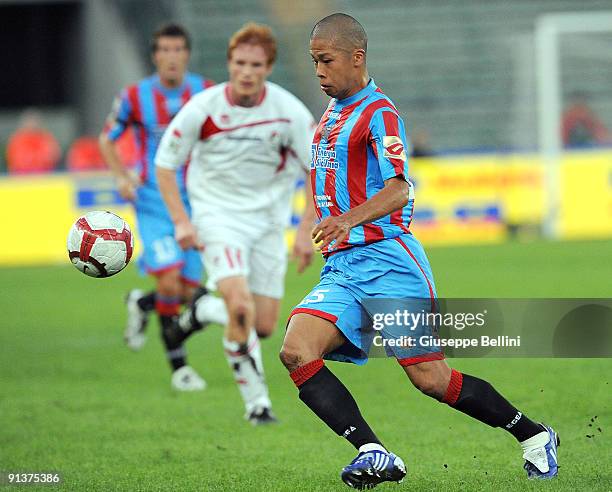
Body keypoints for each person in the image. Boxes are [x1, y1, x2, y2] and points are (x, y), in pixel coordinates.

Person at [279, 13, 559, 489]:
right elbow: (325, 182)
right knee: (295, 350)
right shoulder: (330, 115)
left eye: (326, 61)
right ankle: (374, 452)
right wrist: (314, 222)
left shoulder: (379, 113)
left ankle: (533, 435)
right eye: (313, 62)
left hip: (390, 263)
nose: (319, 71)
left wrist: (346, 219)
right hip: (343, 269)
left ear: (356, 57)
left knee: (431, 379)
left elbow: (400, 189)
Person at [155, 22, 317, 425]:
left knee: (262, 326)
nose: (247, 71)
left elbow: (317, 170)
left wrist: (303, 233)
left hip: (267, 223)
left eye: (256, 64)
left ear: (269, 68)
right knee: (241, 309)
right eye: (241, 63)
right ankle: (257, 405)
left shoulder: (289, 112)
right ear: (229, 63)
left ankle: (199, 311)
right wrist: (182, 222)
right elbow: (165, 164)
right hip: (217, 217)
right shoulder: (203, 109)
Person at [99, 23, 218, 391]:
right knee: (168, 278)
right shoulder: (135, 96)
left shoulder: (207, 92)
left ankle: (142, 303)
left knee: (187, 292)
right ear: (155, 55)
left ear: (186, 54)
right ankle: (180, 369)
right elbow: (107, 138)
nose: (171, 56)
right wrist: (122, 177)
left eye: (178, 49)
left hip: (195, 203)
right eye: (164, 49)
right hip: (152, 201)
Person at [6, 110, 61, 174]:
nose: (32, 124)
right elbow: (14, 162)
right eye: (29, 121)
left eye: (34, 121)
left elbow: (54, 157)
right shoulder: (16, 141)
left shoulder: (46, 139)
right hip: (21, 178)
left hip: (44, 178)